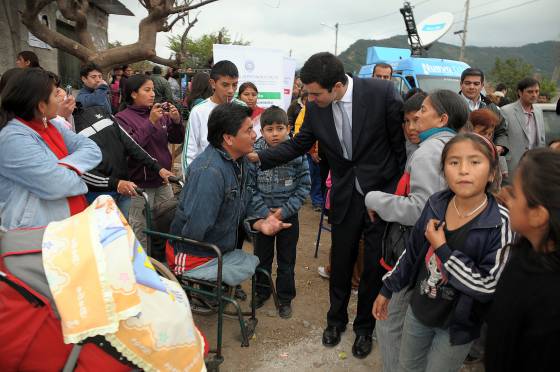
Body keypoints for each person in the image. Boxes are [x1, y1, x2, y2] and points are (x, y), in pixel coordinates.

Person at [249, 52, 406, 359]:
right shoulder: (314, 107)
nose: (309, 98)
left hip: (382, 196)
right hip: (345, 195)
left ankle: (364, 329)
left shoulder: (381, 93)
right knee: (342, 261)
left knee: (373, 265)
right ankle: (335, 321)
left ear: (336, 86)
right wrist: (260, 157)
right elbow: (299, 144)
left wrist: (395, 194)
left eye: (315, 93)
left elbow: (399, 147)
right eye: (306, 92)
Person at [373, 132, 513, 372]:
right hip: (420, 309)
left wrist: (443, 249)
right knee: (408, 366)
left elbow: (488, 286)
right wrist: (388, 288)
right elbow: (412, 251)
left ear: (492, 172)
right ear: (444, 171)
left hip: (458, 324)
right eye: (454, 162)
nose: (463, 170)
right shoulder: (437, 203)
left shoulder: (500, 223)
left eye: (475, 162)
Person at [366, 90, 468, 372]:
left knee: (388, 319)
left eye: (423, 110)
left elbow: (420, 209)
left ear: (442, 118)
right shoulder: (458, 145)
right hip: (444, 252)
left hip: (421, 251)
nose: (417, 116)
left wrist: (374, 198)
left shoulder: (429, 151)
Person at [169, 103, 290, 286]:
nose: (254, 135)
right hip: (196, 254)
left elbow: (246, 198)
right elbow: (195, 231)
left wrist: (260, 222)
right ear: (228, 138)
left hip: (219, 248)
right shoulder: (209, 173)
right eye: (249, 130)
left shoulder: (241, 160)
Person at [484, 148, 560, 372]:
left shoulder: (542, 293)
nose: (505, 194)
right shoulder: (529, 250)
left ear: (538, 215)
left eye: (515, 193)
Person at [0, 68, 101, 229]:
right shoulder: (12, 138)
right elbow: (57, 184)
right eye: (55, 95)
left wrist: (63, 169)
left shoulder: (51, 124)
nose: (61, 98)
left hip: (68, 227)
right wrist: (79, 178)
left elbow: (92, 149)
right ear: (41, 105)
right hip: (38, 237)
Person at [251, 106, 311, 318]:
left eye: (280, 128)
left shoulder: (297, 153)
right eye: (269, 129)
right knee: (261, 258)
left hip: (288, 218)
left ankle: (285, 298)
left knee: (287, 260)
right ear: (262, 131)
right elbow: (250, 187)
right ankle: (261, 291)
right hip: (263, 218)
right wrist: (264, 213)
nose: (275, 133)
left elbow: (304, 185)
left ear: (288, 128)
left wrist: (284, 211)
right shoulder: (254, 154)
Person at [115, 74, 184, 249]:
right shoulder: (122, 118)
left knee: (167, 224)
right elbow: (131, 147)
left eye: (153, 89)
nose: (152, 94)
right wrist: (151, 122)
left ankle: (165, 264)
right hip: (139, 185)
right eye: (147, 90)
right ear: (133, 94)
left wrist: (176, 122)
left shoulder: (158, 113)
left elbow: (176, 138)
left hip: (163, 180)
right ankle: (142, 268)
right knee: (140, 229)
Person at [74, 104, 174, 219]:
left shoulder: (98, 110)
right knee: (106, 234)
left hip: (124, 189)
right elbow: (80, 171)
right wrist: (115, 183)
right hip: (99, 195)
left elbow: (130, 144)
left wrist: (158, 168)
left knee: (127, 231)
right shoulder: (67, 128)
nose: (152, 93)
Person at [182, 60, 245, 173]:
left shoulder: (242, 108)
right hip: (208, 179)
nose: (231, 90)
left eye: (235, 85)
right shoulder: (199, 111)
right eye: (225, 85)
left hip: (238, 178)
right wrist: (192, 183)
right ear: (212, 83)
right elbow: (189, 152)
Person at [458, 68, 509, 168]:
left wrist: (500, 146)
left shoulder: (492, 107)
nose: (472, 87)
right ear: (461, 84)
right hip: (459, 161)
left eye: (476, 84)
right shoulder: (451, 105)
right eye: (467, 83)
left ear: (482, 86)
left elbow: (501, 131)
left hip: (486, 162)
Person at [501, 77, 546, 178]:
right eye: (530, 92)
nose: (534, 95)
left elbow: (541, 140)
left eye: (537, 91)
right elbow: (501, 140)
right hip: (512, 167)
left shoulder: (538, 111)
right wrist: (503, 167)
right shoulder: (506, 111)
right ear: (520, 93)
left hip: (534, 166)